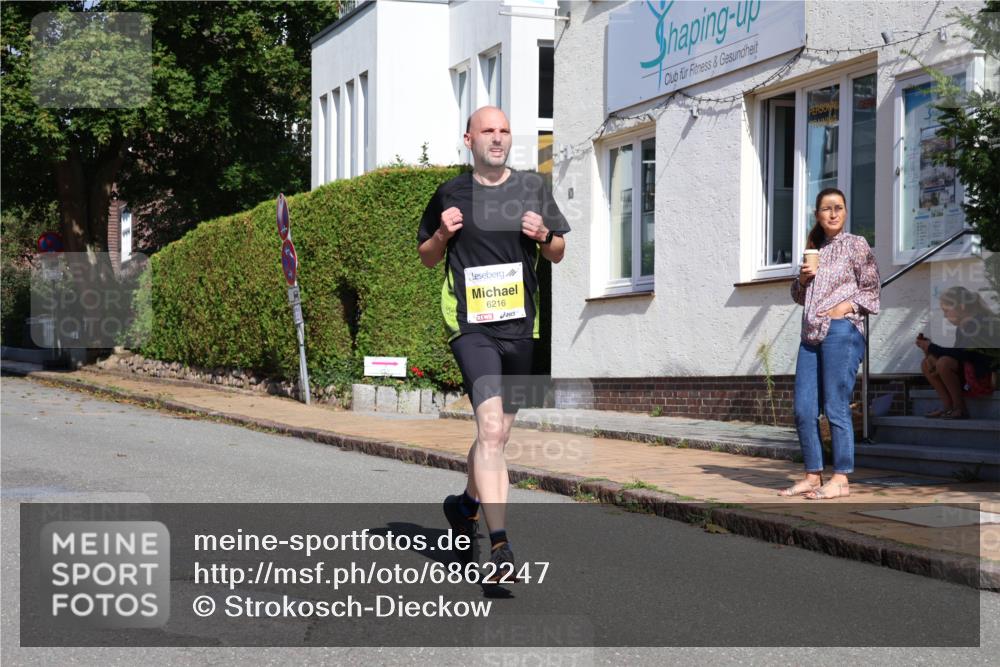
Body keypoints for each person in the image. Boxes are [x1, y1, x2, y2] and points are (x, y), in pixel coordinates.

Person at [417, 106, 570, 580]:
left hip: (523, 328)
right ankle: (500, 546)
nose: (497, 137)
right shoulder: (450, 193)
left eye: (504, 130)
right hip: (471, 326)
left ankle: (464, 507)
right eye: (488, 130)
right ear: (469, 139)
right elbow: (426, 257)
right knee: (488, 429)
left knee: (499, 435)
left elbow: (559, 251)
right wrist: (443, 233)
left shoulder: (531, 188)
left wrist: (544, 235)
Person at [779, 187, 880, 500]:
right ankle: (812, 475)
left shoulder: (855, 245)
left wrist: (843, 309)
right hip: (810, 334)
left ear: (845, 212)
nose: (833, 213)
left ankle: (840, 478)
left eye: (838, 207)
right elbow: (798, 297)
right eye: (827, 208)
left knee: (836, 405)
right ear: (818, 215)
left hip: (841, 331)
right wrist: (804, 280)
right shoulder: (815, 250)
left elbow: (872, 289)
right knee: (803, 409)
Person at [917, 286, 1000, 419]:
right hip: (969, 372)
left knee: (944, 363)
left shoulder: (978, 323)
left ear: (961, 307)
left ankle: (960, 408)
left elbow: (965, 354)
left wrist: (932, 348)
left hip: (984, 376)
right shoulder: (963, 326)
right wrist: (930, 353)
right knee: (927, 364)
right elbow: (958, 354)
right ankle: (948, 407)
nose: (945, 315)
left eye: (947, 310)